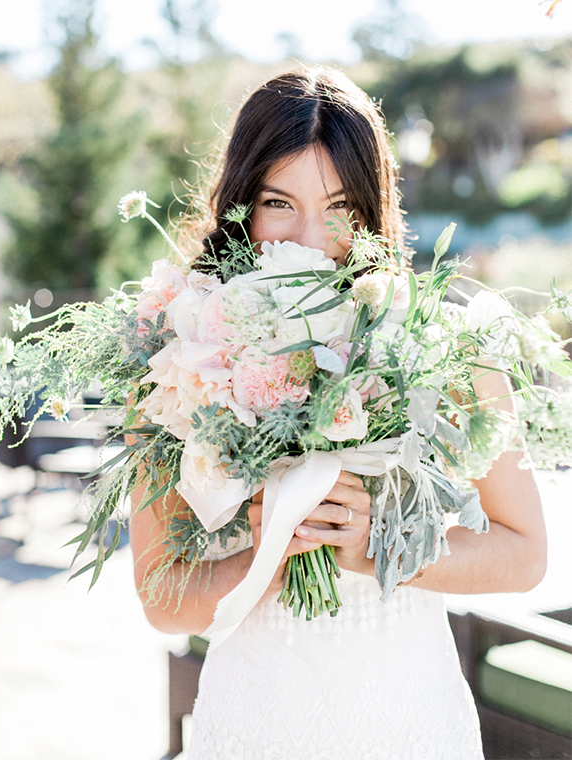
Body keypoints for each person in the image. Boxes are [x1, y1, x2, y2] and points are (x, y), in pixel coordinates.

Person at [128, 67, 547, 760]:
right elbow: (161, 599)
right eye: (278, 202)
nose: (310, 240)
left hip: (407, 720)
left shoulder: (444, 343)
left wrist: (381, 548)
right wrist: (266, 552)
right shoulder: (179, 352)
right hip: (256, 723)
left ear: (373, 210)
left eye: (340, 207)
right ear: (240, 204)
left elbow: (525, 554)